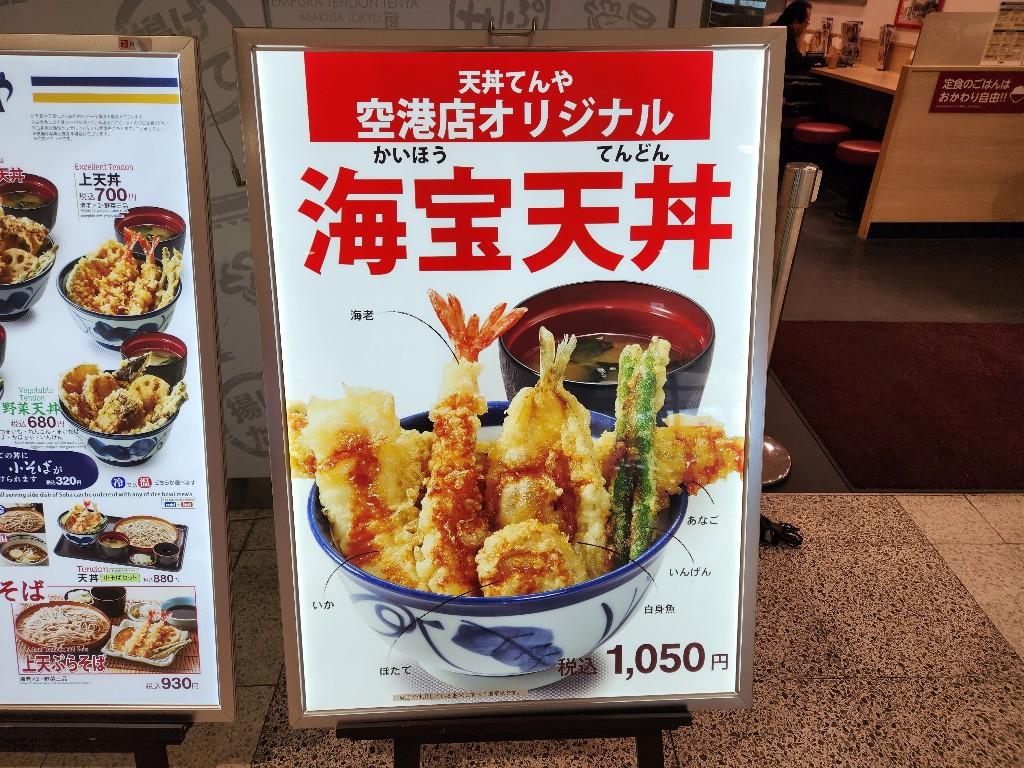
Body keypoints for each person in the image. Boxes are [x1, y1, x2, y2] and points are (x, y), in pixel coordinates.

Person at [772, 0, 814, 75]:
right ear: (795, 23)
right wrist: (821, 59)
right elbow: (797, 64)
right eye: (806, 22)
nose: (806, 26)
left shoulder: (773, 27)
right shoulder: (787, 35)